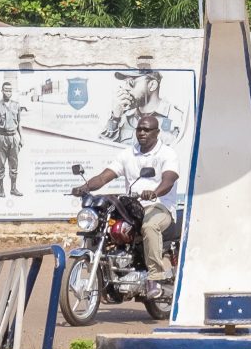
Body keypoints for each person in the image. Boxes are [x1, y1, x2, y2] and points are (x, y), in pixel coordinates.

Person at [72, 114, 182, 277]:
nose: (142, 133)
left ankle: (155, 276)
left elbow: (169, 180)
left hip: (160, 206)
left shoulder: (167, 154)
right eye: (139, 129)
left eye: (147, 130)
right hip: (133, 207)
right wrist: (84, 187)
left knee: (149, 226)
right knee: (105, 224)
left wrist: (154, 193)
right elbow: (104, 177)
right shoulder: (127, 154)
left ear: (157, 132)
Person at [0, 79, 26, 199]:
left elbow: (19, 123)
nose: (8, 92)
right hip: (1, 138)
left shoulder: (16, 105)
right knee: (0, 165)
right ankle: (1, 188)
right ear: (2, 91)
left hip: (13, 138)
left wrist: (22, 137)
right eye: (6, 90)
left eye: (10, 90)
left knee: (14, 164)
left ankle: (13, 188)